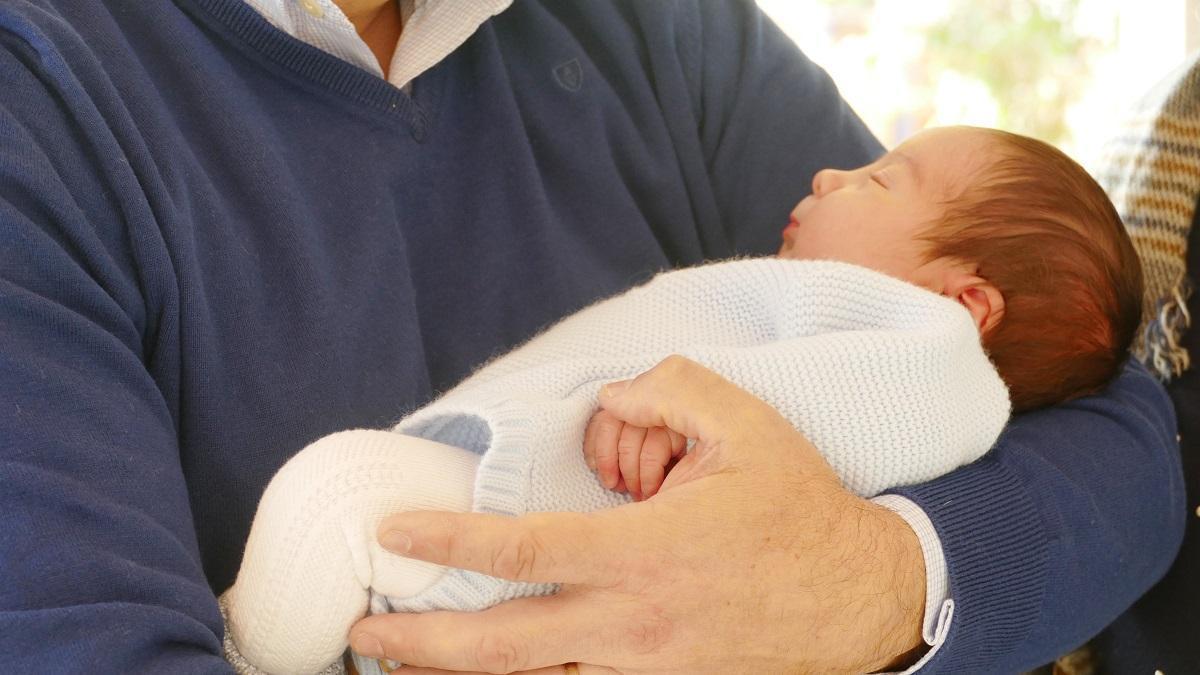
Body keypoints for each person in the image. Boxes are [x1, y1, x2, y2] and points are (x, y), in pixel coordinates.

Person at [0, 1, 1182, 674]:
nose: (837, 178)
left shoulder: (662, 33)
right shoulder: (40, 103)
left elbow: (1105, 430)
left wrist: (865, 582)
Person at [219, 124, 1146, 675]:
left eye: (877, 179)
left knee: (337, 497)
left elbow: (848, 410)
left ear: (966, 301)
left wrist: (680, 407)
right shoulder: (867, 321)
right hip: (549, 549)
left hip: (554, 528)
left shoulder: (933, 351)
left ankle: (245, 654)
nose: (829, 174)